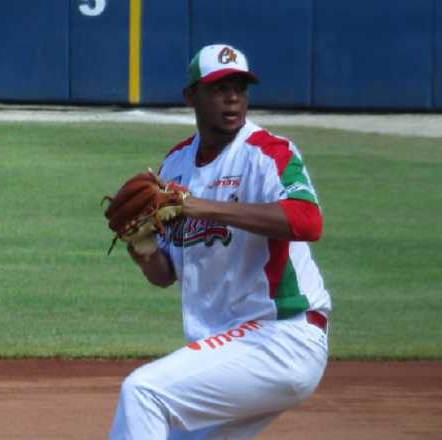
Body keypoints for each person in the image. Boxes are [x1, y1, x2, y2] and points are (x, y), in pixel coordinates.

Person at [109, 43, 332, 440]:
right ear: (190, 96)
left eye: (240, 88)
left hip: (281, 337)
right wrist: (141, 249)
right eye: (219, 88)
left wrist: (201, 207)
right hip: (232, 349)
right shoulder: (176, 165)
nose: (232, 98)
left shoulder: (268, 153)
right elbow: (166, 274)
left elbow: (307, 220)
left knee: (142, 392)